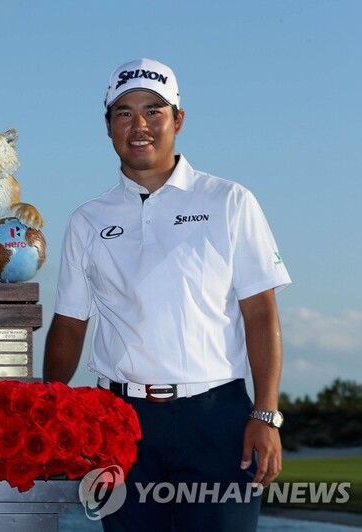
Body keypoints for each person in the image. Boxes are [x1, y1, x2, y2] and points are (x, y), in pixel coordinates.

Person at [44, 58, 291, 531]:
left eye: (153, 111)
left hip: (218, 419)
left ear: (177, 119)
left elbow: (260, 312)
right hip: (120, 423)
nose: (139, 125)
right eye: (124, 113)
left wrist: (267, 414)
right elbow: (70, 322)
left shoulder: (229, 200)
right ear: (108, 126)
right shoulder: (86, 219)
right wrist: (52, 408)